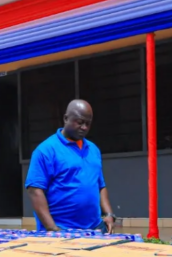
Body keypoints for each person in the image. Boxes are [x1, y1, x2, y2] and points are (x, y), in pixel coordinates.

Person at [25, 99, 115, 233]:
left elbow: (100, 185)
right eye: (79, 122)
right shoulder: (46, 150)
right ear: (66, 118)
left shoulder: (93, 149)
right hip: (63, 230)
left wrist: (108, 214)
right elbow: (35, 190)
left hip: (96, 228)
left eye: (88, 123)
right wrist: (53, 229)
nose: (84, 127)